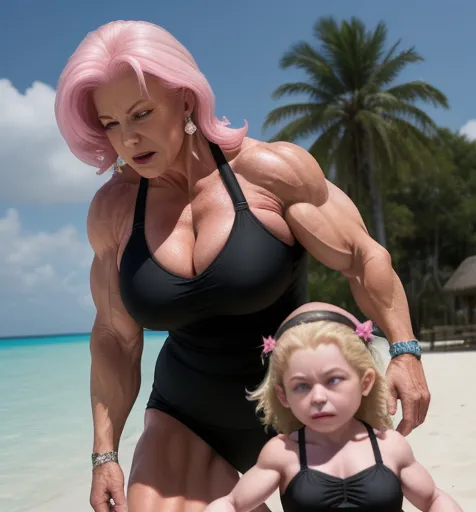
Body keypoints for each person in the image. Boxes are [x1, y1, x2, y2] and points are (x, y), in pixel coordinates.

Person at [54, 20, 430, 512]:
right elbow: (114, 337)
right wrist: (104, 452)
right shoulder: (114, 211)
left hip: (305, 405)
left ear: (185, 100)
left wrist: (404, 349)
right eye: (111, 123)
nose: (128, 138)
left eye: (141, 113)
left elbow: (362, 257)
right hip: (186, 416)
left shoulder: (268, 173)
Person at [204, 303, 463, 512]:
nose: (318, 396)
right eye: (301, 386)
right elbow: (232, 504)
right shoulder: (284, 453)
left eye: (334, 380)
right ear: (283, 396)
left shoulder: (389, 446)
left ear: (365, 382)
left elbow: (432, 500)